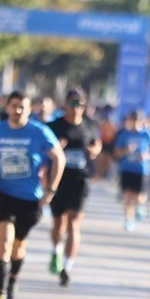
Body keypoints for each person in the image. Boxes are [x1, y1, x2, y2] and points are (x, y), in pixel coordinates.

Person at [0, 91, 65, 299]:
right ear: (7, 107)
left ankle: (12, 280)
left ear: (29, 110)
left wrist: (51, 189)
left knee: (18, 248)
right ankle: (1, 294)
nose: (17, 111)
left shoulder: (39, 132)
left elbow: (59, 157)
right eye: (14, 106)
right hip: (3, 194)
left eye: (22, 107)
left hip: (29, 198)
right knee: (4, 244)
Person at [46, 89, 102, 287]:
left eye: (81, 104)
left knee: (74, 224)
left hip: (80, 180)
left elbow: (98, 144)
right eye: (73, 103)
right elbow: (44, 150)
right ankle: (56, 251)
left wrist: (94, 150)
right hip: (58, 180)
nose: (77, 108)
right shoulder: (54, 126)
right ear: (65, 104)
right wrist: (55, 150)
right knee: (58, 224)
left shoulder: (90, 125)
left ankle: (67, 267)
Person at [112, 111, 150, 231]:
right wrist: (125, 151)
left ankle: (140, 206)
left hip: (142, 170)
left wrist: (146, 156)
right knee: (128, 196)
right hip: (127, 168)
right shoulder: (124, 135)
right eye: (134, 120)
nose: (136, 123)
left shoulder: (147, 135)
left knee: (139, 197)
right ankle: (128, 219)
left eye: (138, 121)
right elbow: (116, 153)